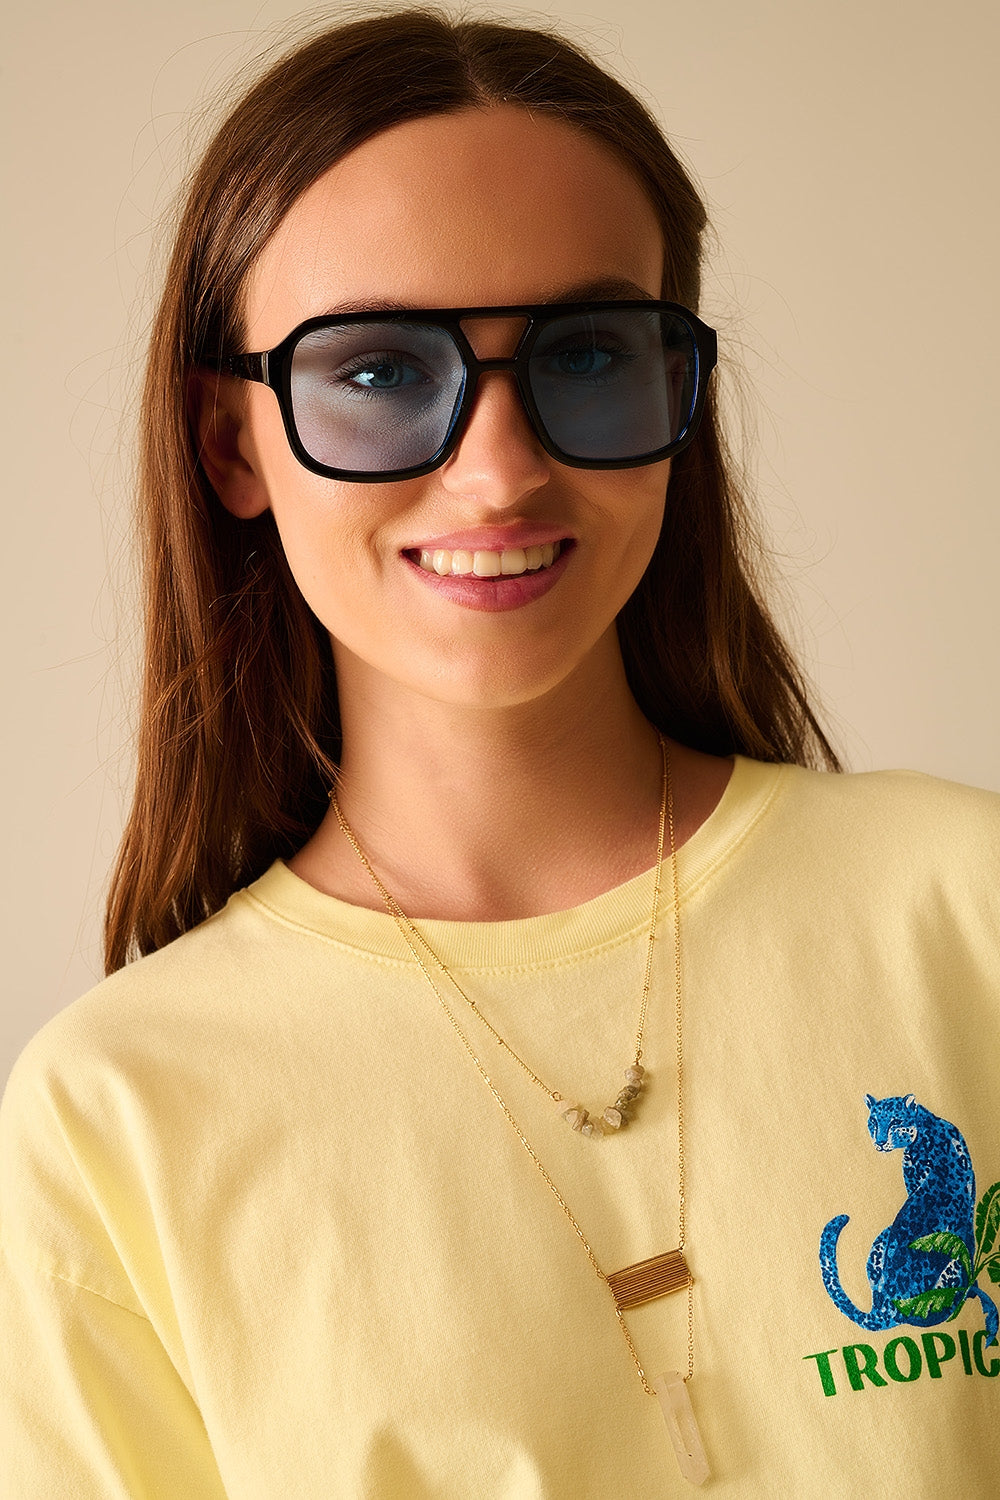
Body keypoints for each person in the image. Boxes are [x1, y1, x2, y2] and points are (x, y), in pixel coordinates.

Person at [1, 10, 997, 1497]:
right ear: (230, 445)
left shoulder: (967, 907)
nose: (500, 470)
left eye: (586, 353)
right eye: (378, 372)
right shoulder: (121, 1114)